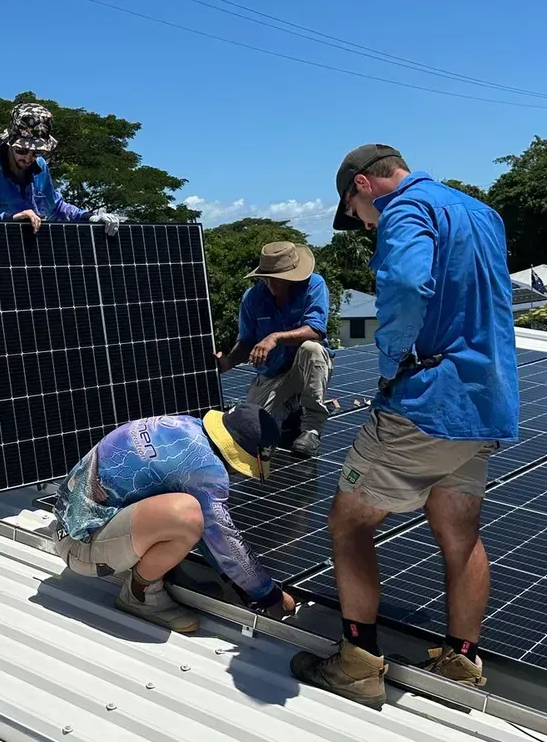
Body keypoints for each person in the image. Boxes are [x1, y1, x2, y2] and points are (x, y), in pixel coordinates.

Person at [295, 145, 518, 707]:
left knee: (349, 523)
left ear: (365, 185)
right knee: (460, 536)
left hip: (427, 401)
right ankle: (461, 665)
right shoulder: (478, 211)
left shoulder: (404, 210)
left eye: (356, 214)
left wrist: (394, 361)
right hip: (486, 400)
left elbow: (406, 285)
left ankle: (356, 665)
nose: (364, 226)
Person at [53, 405, 298, 633]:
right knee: (186, 514)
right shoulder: (207, 471)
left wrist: (228, 579)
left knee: (190, 513)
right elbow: (224, 540)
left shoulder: (184, 426)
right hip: (80, 549)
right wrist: (269, 595)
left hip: (68, 526)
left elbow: (209, 531)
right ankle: (140, 596)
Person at [215, 240, 332, 457]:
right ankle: (288, 412)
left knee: (312, 349)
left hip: (303, 368)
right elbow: (246, 342)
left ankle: (311, 429)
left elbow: (316, 330)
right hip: (272, 374)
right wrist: (228, 362)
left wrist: (275, 338)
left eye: (278, 279)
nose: (272, 283)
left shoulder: (314, 285)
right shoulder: (252, 298)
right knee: (254, 435)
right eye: (267, 278)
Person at [0, 102, 118, 233]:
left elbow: (56, 208)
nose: (29, 158)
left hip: (29, 253)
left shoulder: (40, 167)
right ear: (10, 143)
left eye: (37, 152)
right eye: (22, 150)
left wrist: (90, 218)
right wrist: (9, 218)